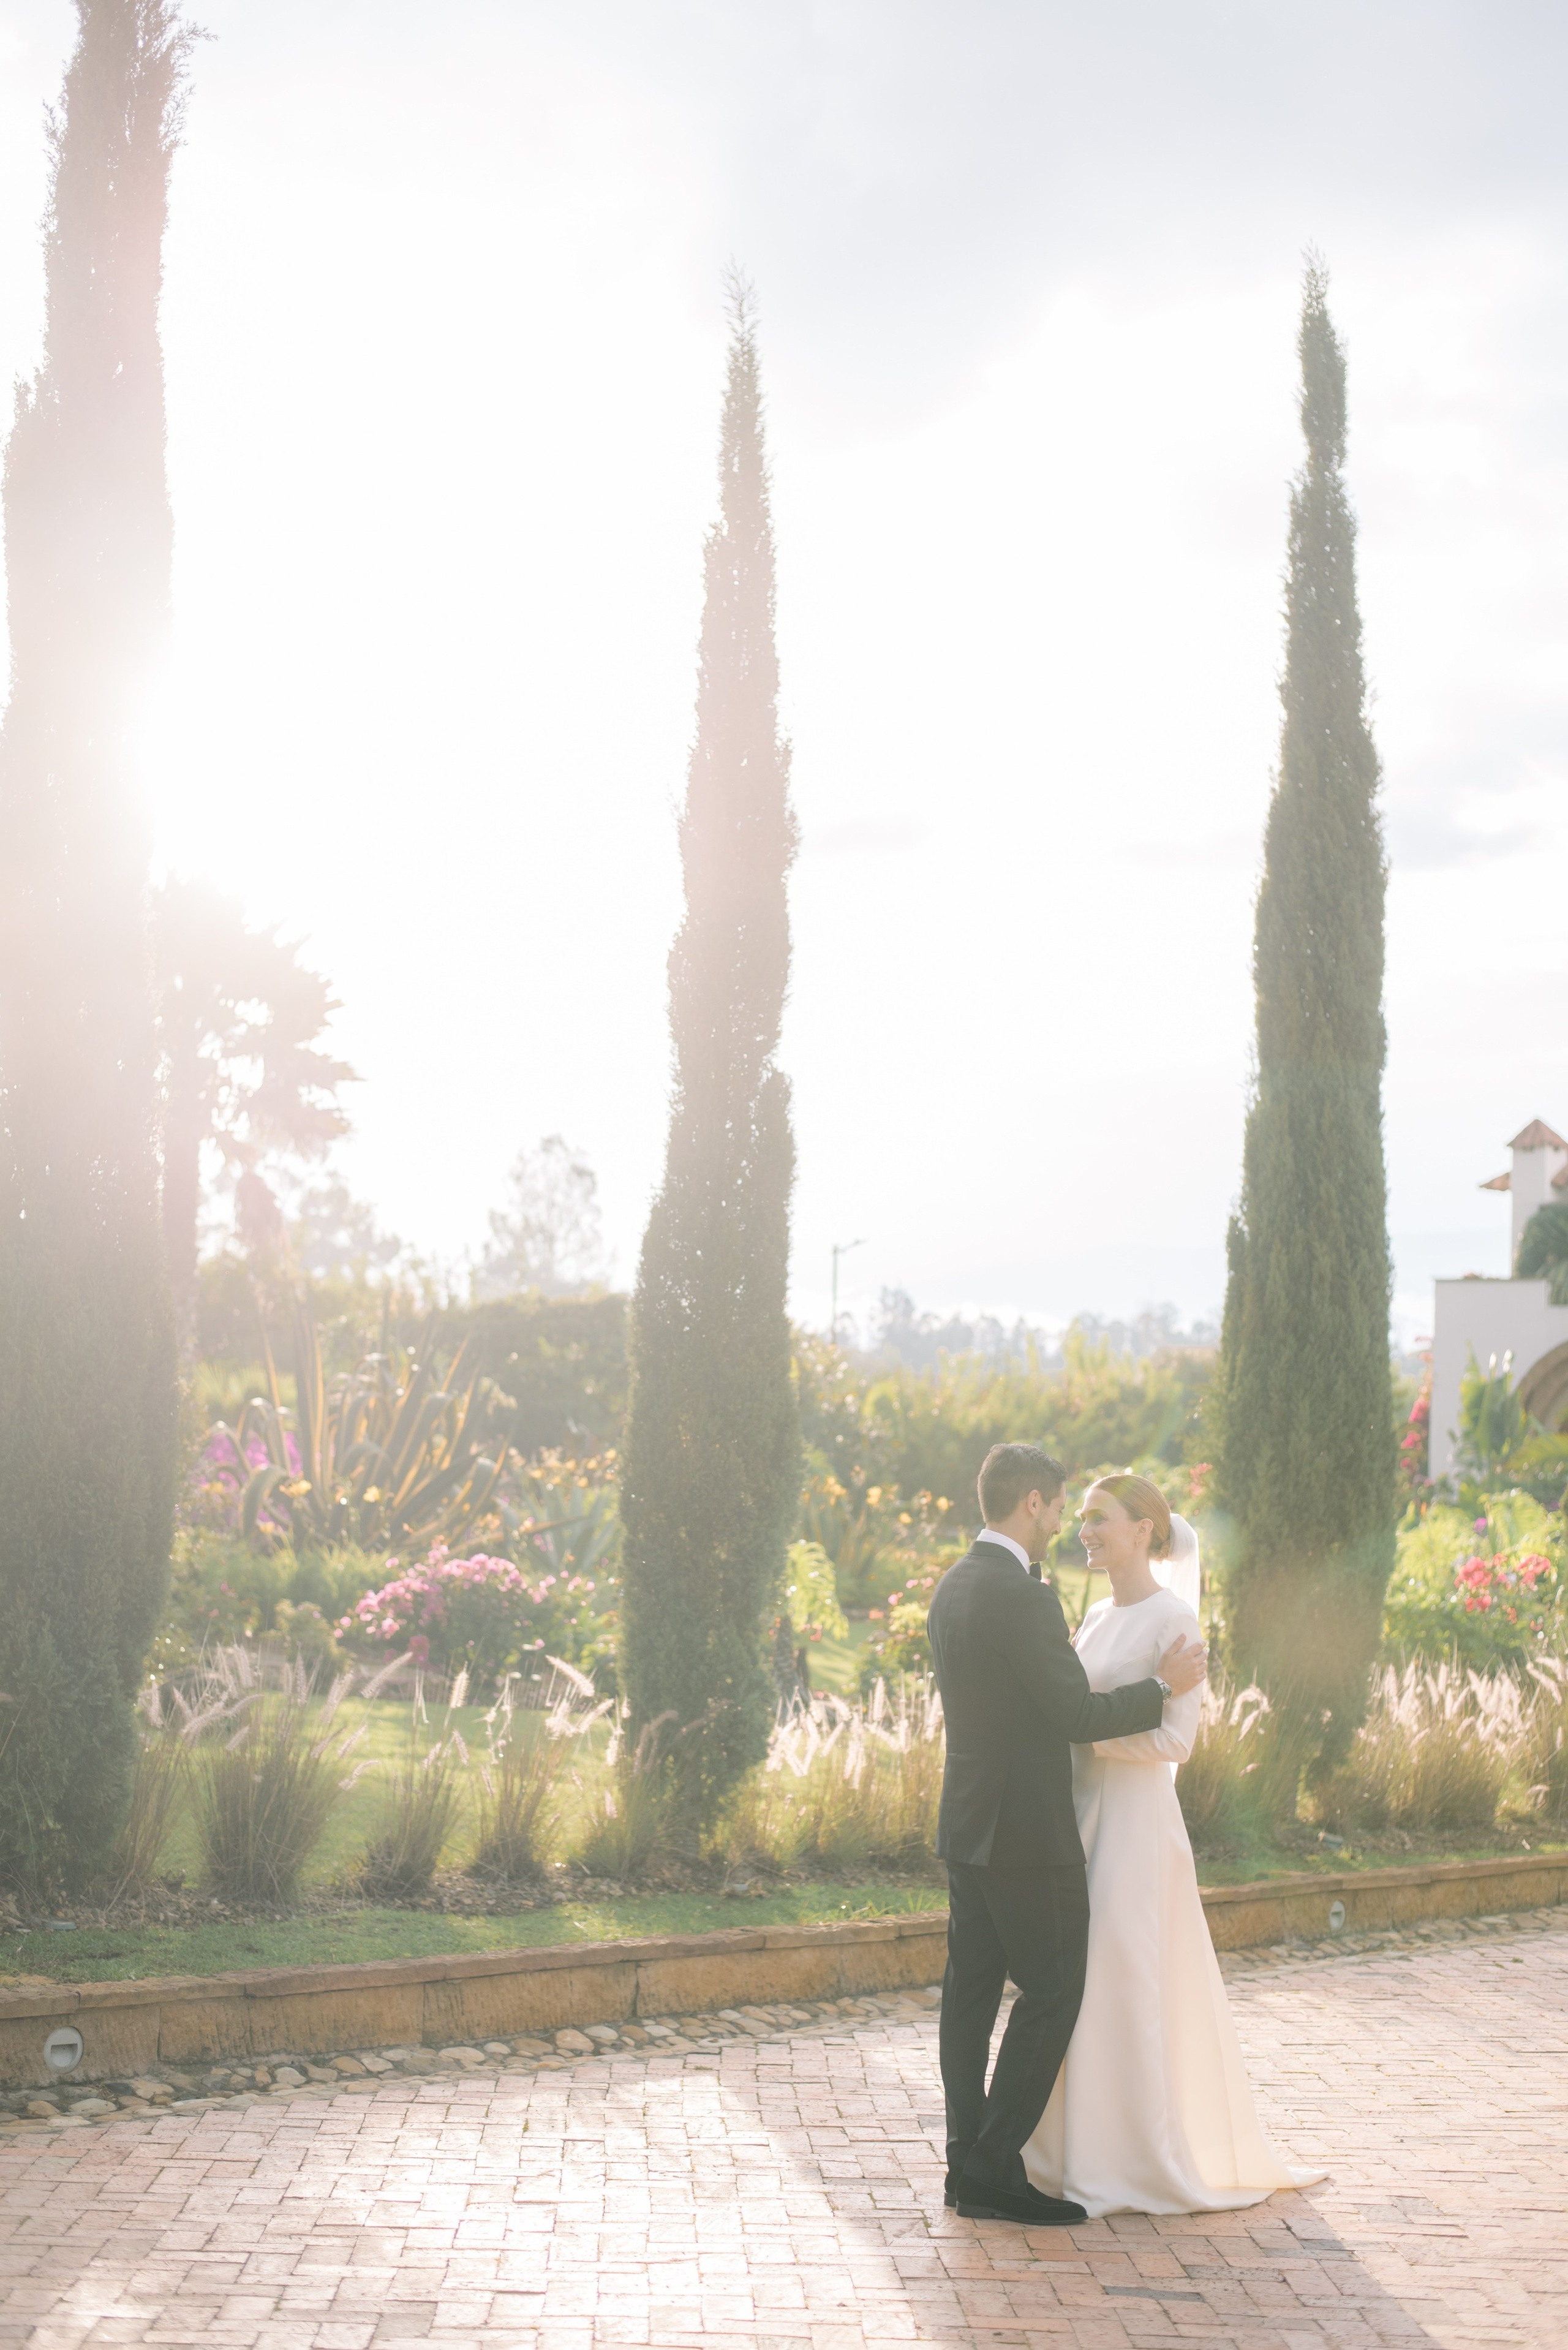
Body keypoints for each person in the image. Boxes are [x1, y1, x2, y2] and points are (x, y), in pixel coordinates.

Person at [1024, 1471, 1322, 2216]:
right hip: (1080, 1821)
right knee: (1075, 1980)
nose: (1086, 1530)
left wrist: (1088, 1732)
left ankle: (1129, 2157)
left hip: (1134, 1832)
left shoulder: (1174, 1621)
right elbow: (1076, 1708)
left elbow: (1175, 1739)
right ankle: (1065, 2151)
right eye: (1083, 1518)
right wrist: (1079, 1727)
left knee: (1119, 1980)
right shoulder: (1092, 1618)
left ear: (1145, 1531)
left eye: (1101, 1518)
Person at [925, 1441, 1208, 2226]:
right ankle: (990, 2165)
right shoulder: (1026, 1595)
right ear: (1031, 1505)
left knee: (969, 1995)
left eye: (1090, 1515)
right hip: (1027, 1831)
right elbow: (1076, 1716)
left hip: (970, 1822)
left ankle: (963, 2159)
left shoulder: (953, 1584)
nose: (1065, 1525)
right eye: (1061, 1509)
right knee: (1052, 1990)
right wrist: (1161, 1688)